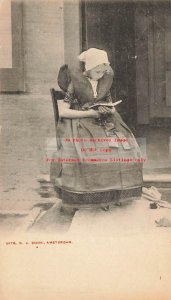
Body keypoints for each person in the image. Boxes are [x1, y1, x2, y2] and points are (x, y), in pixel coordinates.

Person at [50, 48, 143, 207]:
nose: (101, 75)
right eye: (98, 71)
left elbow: (110, 105)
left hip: (103, 119)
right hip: (80, 121)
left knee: (125, 148)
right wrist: (90, 114)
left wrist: (109, 109)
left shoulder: (103, 82)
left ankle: (114, 194)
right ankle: (96, 197)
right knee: (93, 153)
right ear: (89, 69)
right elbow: (63, 111)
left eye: (103, 72)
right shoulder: (76, 83)